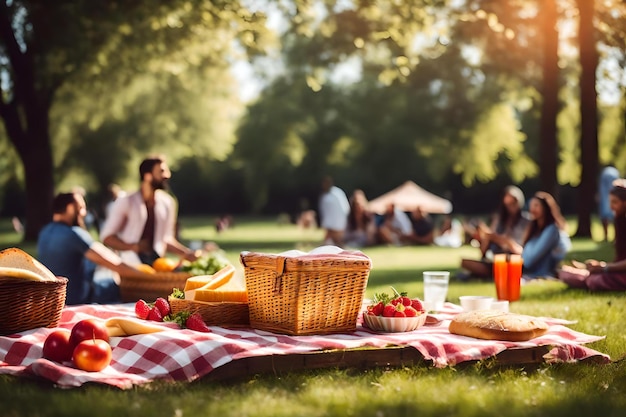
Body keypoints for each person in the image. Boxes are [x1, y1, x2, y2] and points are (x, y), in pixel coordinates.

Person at [37, 192, 142, 305]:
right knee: (112, 281)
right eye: (81, 208)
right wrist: (145, 275)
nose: (84, 213)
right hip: (77, 299)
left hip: (52, 299)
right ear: (70, 208)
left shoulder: (44, 232)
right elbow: (115, 263)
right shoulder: (74, 234)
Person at [100, 156, 201, 266]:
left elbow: (166, 239)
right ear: (147, 176)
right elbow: (107, 238)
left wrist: (187, 253)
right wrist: (134, 247)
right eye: (162, 171)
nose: (167, 175)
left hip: (157, 264)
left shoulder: (168, 203)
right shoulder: (126, 201)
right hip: (130, 266)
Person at [559, 180, 626, 290]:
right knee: (565, 273)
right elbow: (619, 260)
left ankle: (587, 278)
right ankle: (586, 275)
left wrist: (604, 268)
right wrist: (590, 267)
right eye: (610, 202)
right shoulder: (619, 220)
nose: (611, 207)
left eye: (615, 202)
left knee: (594, 281)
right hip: (616, 272)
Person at [459, 186, 530, 279]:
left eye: (513, 203)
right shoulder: (499, 220)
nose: (510, 207)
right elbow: (483, 251)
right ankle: (492, 273)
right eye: (507, 204)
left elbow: (520, 251)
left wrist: (504, 240)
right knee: (465, 262)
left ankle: (490, 274)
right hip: (496, 259)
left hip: (515, 259)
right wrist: (486, 237)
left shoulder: (527, 221)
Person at [519, 191, 571, 280]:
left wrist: (522, 259)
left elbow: (530, 259)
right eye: (531, 206)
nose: (532, 209)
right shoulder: (533, 229)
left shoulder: (552, 230)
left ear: (545, 208)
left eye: (536, 206)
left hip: (541, 272)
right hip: (527, 270)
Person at [318, 176, 350, 247]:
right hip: (330, 223)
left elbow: (344, 208)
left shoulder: (337, 193)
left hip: (338, 223)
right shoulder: (325, 196)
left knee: (337, 241)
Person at [598, 164, 620, 242]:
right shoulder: (614, 172)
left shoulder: (604, 173)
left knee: (605, 217)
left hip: (605, 197)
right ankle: (615, 236)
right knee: (615, 217)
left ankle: (606, 236)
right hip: (615, 198)